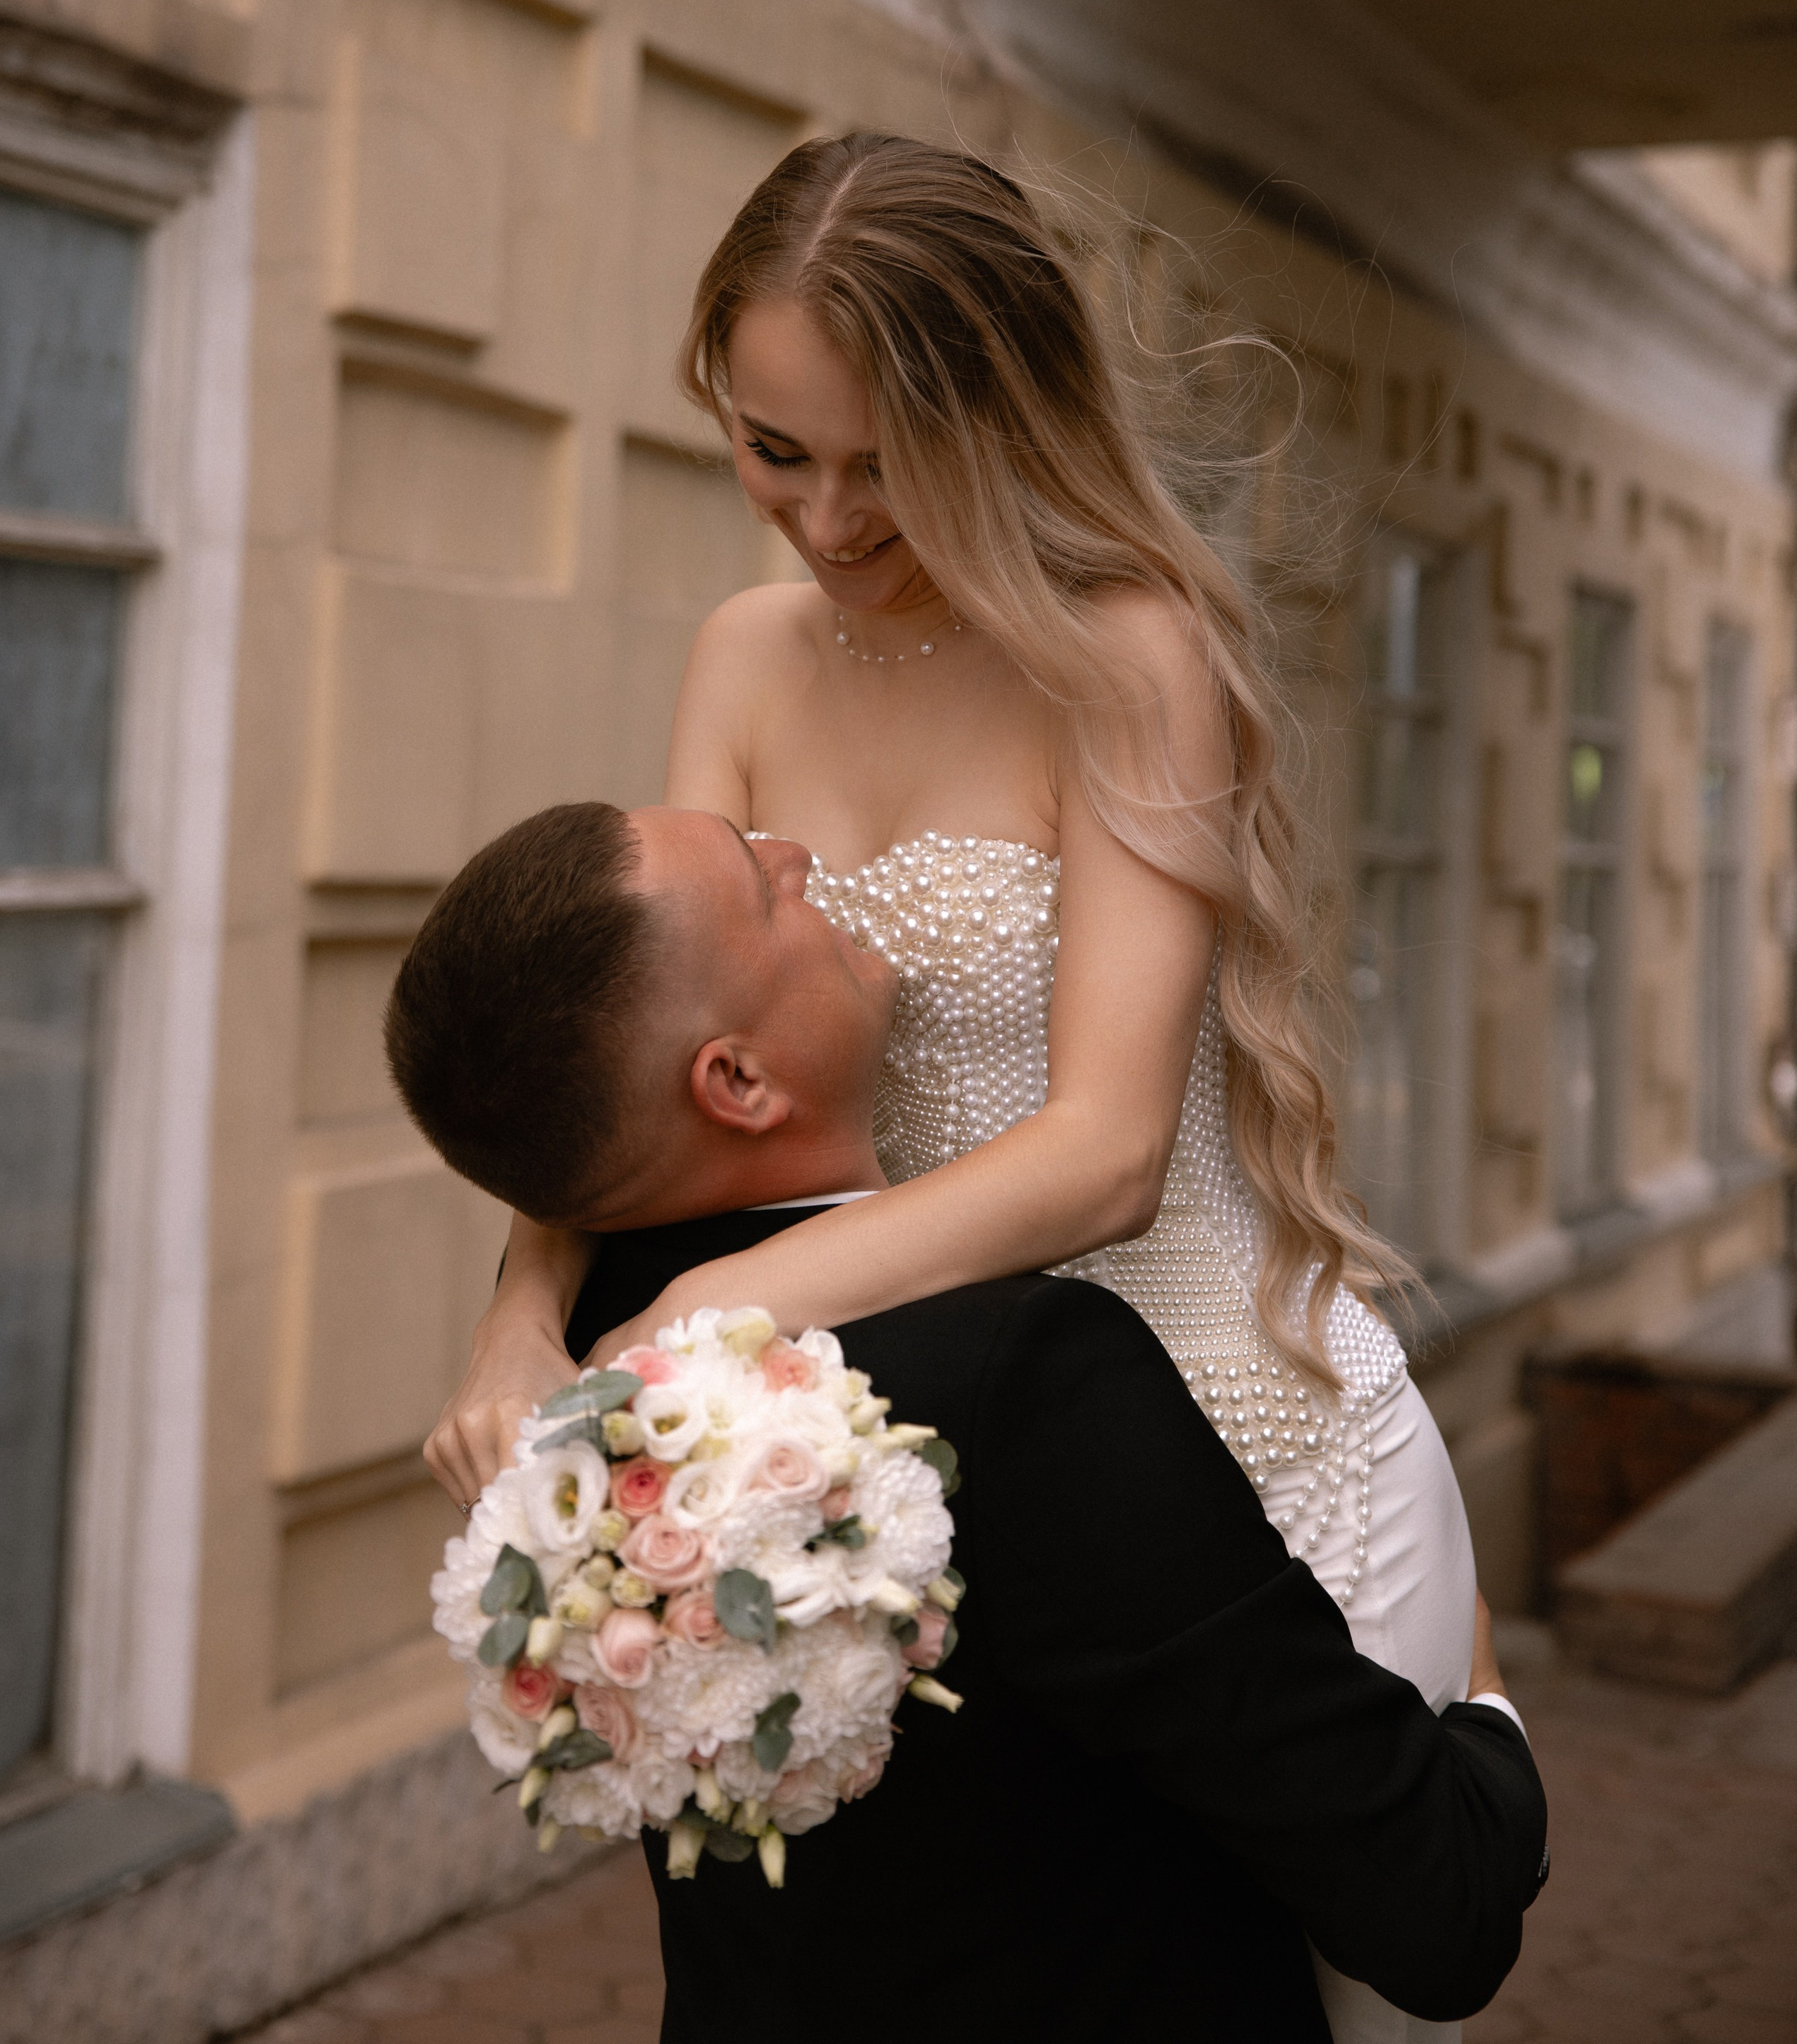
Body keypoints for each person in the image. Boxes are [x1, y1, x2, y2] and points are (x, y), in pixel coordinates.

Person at [428, 138, 1482, 2040]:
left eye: (884, 458)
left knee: (1283, 1980)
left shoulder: (1133, 654)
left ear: (1003, 414)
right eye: (773, 448)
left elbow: (1100, 1159)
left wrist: (684, 1323)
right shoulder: (744, 653)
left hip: (1236, 1431)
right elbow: (655, 1044)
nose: (825, 519)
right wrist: (520, 1313)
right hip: (925, 1447)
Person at [390, 800, 1545, 2044]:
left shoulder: (583, 1365)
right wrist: (1483, 1701)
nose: (799, 851)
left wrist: (517, 1302)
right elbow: (1439, 1910)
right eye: (761, 882)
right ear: (735, 1077)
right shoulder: (1027, 1377)